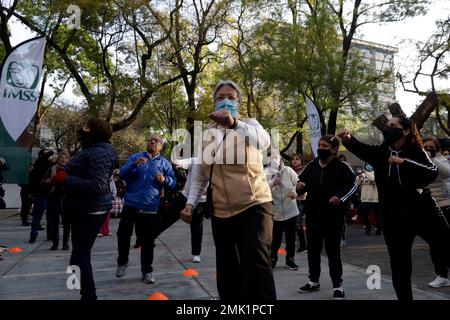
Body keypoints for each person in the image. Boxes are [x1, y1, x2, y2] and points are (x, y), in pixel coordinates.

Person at [181, 80, 276, 301]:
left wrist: (235, 124)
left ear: (239, 103)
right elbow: (200, 174)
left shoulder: (250, 125)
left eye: (231, 97)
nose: (226, 100)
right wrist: (190, 203)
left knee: (256, 264)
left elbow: (264, 142)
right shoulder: (206, 135)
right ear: (214, 102)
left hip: (255, 206)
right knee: (227, 272)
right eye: (221, 96)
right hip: (221, 212)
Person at [338, 115, 449, 300]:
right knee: (400, 266)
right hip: (393, 216)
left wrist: (404, 162)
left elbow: (431, 172)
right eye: (387, 125)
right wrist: (349, 140)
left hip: (422, 210)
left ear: (405, 131)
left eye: (393, 125)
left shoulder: (415, 150)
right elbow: (363, 149)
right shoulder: (381, 151)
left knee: (446, 246)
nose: (388, 128)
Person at [59, 117, 118, 301]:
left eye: (86, 127)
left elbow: (97, 184)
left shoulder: (100, 152)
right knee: (78, 254)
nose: (81, 129)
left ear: (94, 132)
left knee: (80, 254)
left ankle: (89, 295)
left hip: (90, 210)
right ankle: (80, 287)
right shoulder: (93, 149)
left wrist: (64, 179)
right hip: (81, 209)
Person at [296, 135, 357, 300]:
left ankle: (338, 286)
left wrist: (340, 197)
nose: (321, 148)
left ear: (334, 149)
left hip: (333, 217)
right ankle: (313, 281)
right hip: (313, 216)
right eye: (320, 145)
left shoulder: (342, 167)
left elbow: (353, 185)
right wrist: (299, 187)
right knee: (313, 250)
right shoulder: (312, 166)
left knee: (333, 251)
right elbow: (301, 185)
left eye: (325, 146)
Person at [115, 134, 176, 284]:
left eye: (156, 141)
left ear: (161, 147)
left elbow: (174, 183)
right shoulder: (135, 157)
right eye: (150, 140)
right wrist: (133, 165)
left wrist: (165, 180)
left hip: (151, 206)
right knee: (123, 234)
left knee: (148, 241)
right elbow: (121, 174)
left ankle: (147, 271)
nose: (152, 142)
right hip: (131, 204)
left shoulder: (165, 163)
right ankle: (122, 262)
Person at [422, 137, 450, 288]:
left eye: (431, 147)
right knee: (434, 243)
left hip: (446, 204)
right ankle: (442, 275)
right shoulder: (419, 162)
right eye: (425, 146)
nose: (428, 149)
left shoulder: (441, 160)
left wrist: (431, 159)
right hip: (430, 207)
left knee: (446, 240)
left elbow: (446, 173)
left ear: (436, 149)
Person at [266, 153, 299, 270]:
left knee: (291, 238)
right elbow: (262, 188)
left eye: (277, 158)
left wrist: (294, 192)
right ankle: (273, 259)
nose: (275, 161)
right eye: (272, 159)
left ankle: (290, 259)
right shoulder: (267, 173)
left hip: (291, 209)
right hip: (276, 212)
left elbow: (298, 183)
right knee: (275, 239)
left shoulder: (288, 170)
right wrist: (272, 183)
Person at [41, 150, 71, 250]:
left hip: (67, 199)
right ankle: (55, 242)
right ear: (58, 159)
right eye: (61, 157)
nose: (63, 159)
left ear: (68, 160)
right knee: (54, 222)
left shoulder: (71, 170)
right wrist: (47, 182)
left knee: (67, 222)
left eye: (66, 158)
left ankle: (65, 242)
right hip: (54, 198)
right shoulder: (51, 169)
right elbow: (42, 183)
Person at [28, 149, 54, 243]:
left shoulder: (47, 164)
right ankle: (34, 234)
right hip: (42, 192)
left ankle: (47, 234)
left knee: (47, 216)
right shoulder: (40, 162)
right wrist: (52, 152)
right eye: (46, 152)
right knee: (38, 214)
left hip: (48, 193)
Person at [358, 163, 382, 235]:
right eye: (367, 164)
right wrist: (359, 178)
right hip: (365, 199)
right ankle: (368, 228)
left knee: (377, 216)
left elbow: (373, 179)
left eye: (370, 164)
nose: (368, 166)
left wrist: (365, 173)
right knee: (365, 214)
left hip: (375, 199)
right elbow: (357, 183)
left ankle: (379, 229)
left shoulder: (376, 172)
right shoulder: (363, 174)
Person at [290, 153, 307, 253]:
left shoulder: (305, 170)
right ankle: (300, 243)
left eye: (297, 159)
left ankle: (303, 245)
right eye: (293, 159)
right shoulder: (289, 171)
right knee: (294, 223)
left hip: (303, 199)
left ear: (301, 160)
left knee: (297, 222)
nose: (295, 161)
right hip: (292, 200)